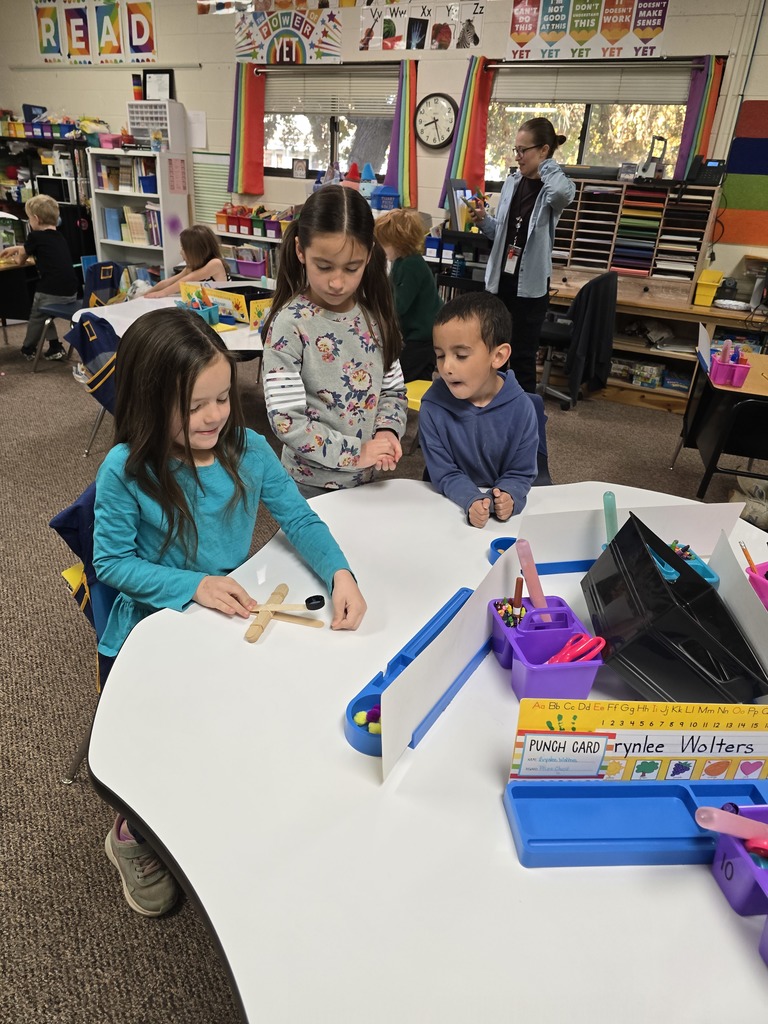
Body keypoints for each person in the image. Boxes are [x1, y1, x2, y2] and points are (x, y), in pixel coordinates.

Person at [92, 306, 366, 916]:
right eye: (195, 406)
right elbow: (110, 563)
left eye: (222, 398)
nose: (215, 415)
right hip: (147, 637)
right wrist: (192, 585)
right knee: (152, 753)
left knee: (224, 731)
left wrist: (340, 573)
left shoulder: (249, 450)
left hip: (221, 623)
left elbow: (299, 520)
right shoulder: (126, 470)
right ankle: (130, 835)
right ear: (148, 401)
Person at [261, 185, 408, 498]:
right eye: (324, 266)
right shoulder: (289, 325)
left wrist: (387, 430)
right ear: (300, 251)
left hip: (367, 481)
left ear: (369, 255)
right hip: (309, 485)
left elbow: (393, 390)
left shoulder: (376, 318)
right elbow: (287, 420)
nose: (338, 282)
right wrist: (357, 452)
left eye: (352, 268)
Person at [470, 117, 575, 393]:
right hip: (501, 282)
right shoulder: (512, 183)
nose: (517, 157)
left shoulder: (553, 189)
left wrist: (546, 164)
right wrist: (483, 221)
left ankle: (525, 415)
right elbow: (502, 232)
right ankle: (493, 407)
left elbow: (562, 193)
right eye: (515, 150)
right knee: (493, 352)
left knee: (521, 359)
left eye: (523, 150)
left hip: (529, 289)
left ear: (543, 150)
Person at [419, 291, 538, 529]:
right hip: (448, 508)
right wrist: (470, 498)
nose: (446, 367)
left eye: (461, 355)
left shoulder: (523, 408)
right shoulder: (432, 408)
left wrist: (509, 494)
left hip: (501, 523)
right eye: (440, 355)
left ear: (498, 356)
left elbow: (521, 472)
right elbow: (444, 473)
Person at [0, 194, 79, 361]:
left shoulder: (34, 236)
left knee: (37, 315)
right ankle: (55, 346)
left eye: (29, 218)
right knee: (45, 313)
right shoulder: (59, 236)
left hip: (51, 290)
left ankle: (28, 348)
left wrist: (16, 256)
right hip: (71, 291)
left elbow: (21, 261)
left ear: (36, 219)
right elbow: (37, 248)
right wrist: (18, 248)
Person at [373, 208, 443, 382]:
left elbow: (399, 305)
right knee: (420, 375)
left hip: (422, 334)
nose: (381, 249)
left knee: (404, 375)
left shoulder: (410, 265)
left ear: (398, 243)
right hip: (422, 333)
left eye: (384, 244)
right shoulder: (401, 262)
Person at [142, 224, 229, 298]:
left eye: (183, 248)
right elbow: (168, 282)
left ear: (195, 250)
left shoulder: (215, 263)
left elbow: (188, 279)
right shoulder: (192, 267)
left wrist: (163, 293)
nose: (181, 252)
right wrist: (146, 294)